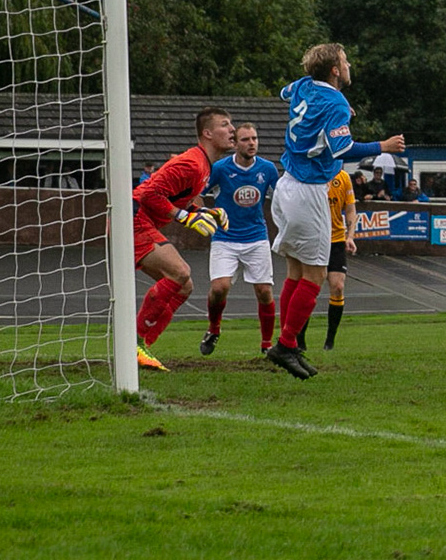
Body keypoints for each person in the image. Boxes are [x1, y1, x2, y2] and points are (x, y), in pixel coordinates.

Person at [270, 43, 404, 378]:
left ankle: (290, 344)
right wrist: (383, 146)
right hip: (309, 190)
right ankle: (285, 346)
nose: (348, 65)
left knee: (295, 272)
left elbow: (284, 92)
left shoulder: (304, 85)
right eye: (344, 61)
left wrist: (332, 113)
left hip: (287, 184)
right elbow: (342, 149)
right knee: (316, 275)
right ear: (334, 70)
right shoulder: (336, 103)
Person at [130, 107, 233, 371]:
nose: (232, 129)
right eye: (225, 124)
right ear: (207, 133)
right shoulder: (191, 163)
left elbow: (175, 199)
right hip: (133, 217)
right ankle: (133, 345)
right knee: (180, 272)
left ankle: (142, 346)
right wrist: (184, 217)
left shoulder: (204, 166)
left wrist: (205, 212)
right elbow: (149, 195)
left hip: (142, 220)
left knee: (184, 286)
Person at [200, 123, 280, 356]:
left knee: (264, 291)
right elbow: (197, 192)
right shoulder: (220, 168)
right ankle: (214, 329)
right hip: (225, 237)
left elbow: (282, 197)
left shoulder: (267, 169)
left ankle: (267, 345)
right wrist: (203, 214)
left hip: (256, 237)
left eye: (254, 138)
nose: (251, 143)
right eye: (245, 139)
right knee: (219, 288)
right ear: (235, 144)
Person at [299, 169, 357, 351]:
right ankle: (300, 339)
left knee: (338, 287)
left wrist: (350, 236)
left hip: (336, 240)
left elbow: (350, 209)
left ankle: (330, 341)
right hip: (314, 239)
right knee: (310, 289)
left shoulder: (343, 177)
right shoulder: (310, 173)